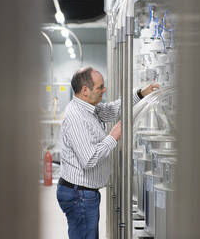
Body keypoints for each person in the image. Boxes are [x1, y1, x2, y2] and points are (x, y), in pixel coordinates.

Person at [56, 67, 159, 239]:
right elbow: (89, 159)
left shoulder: (90, 108)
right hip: (79, 195)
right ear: (85, 90)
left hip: (83, 193)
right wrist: (113, 137)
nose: (104, 90)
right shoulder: (76, 117)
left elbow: (113, 109)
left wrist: (141, 93)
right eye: (100, 87)